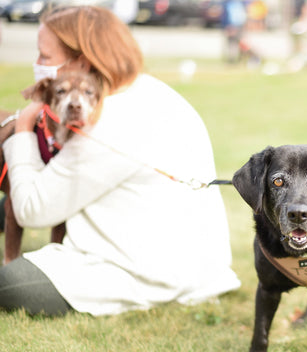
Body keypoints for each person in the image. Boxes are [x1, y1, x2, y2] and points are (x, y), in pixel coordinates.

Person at [1, 5, 240, 317]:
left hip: (145, 274)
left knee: (10, 284)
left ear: (82, 61)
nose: (36, 65)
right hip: (199, 264)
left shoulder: (105, 122)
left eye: (44, 57)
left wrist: (21, 130)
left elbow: (31, 209)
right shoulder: (147, 89)